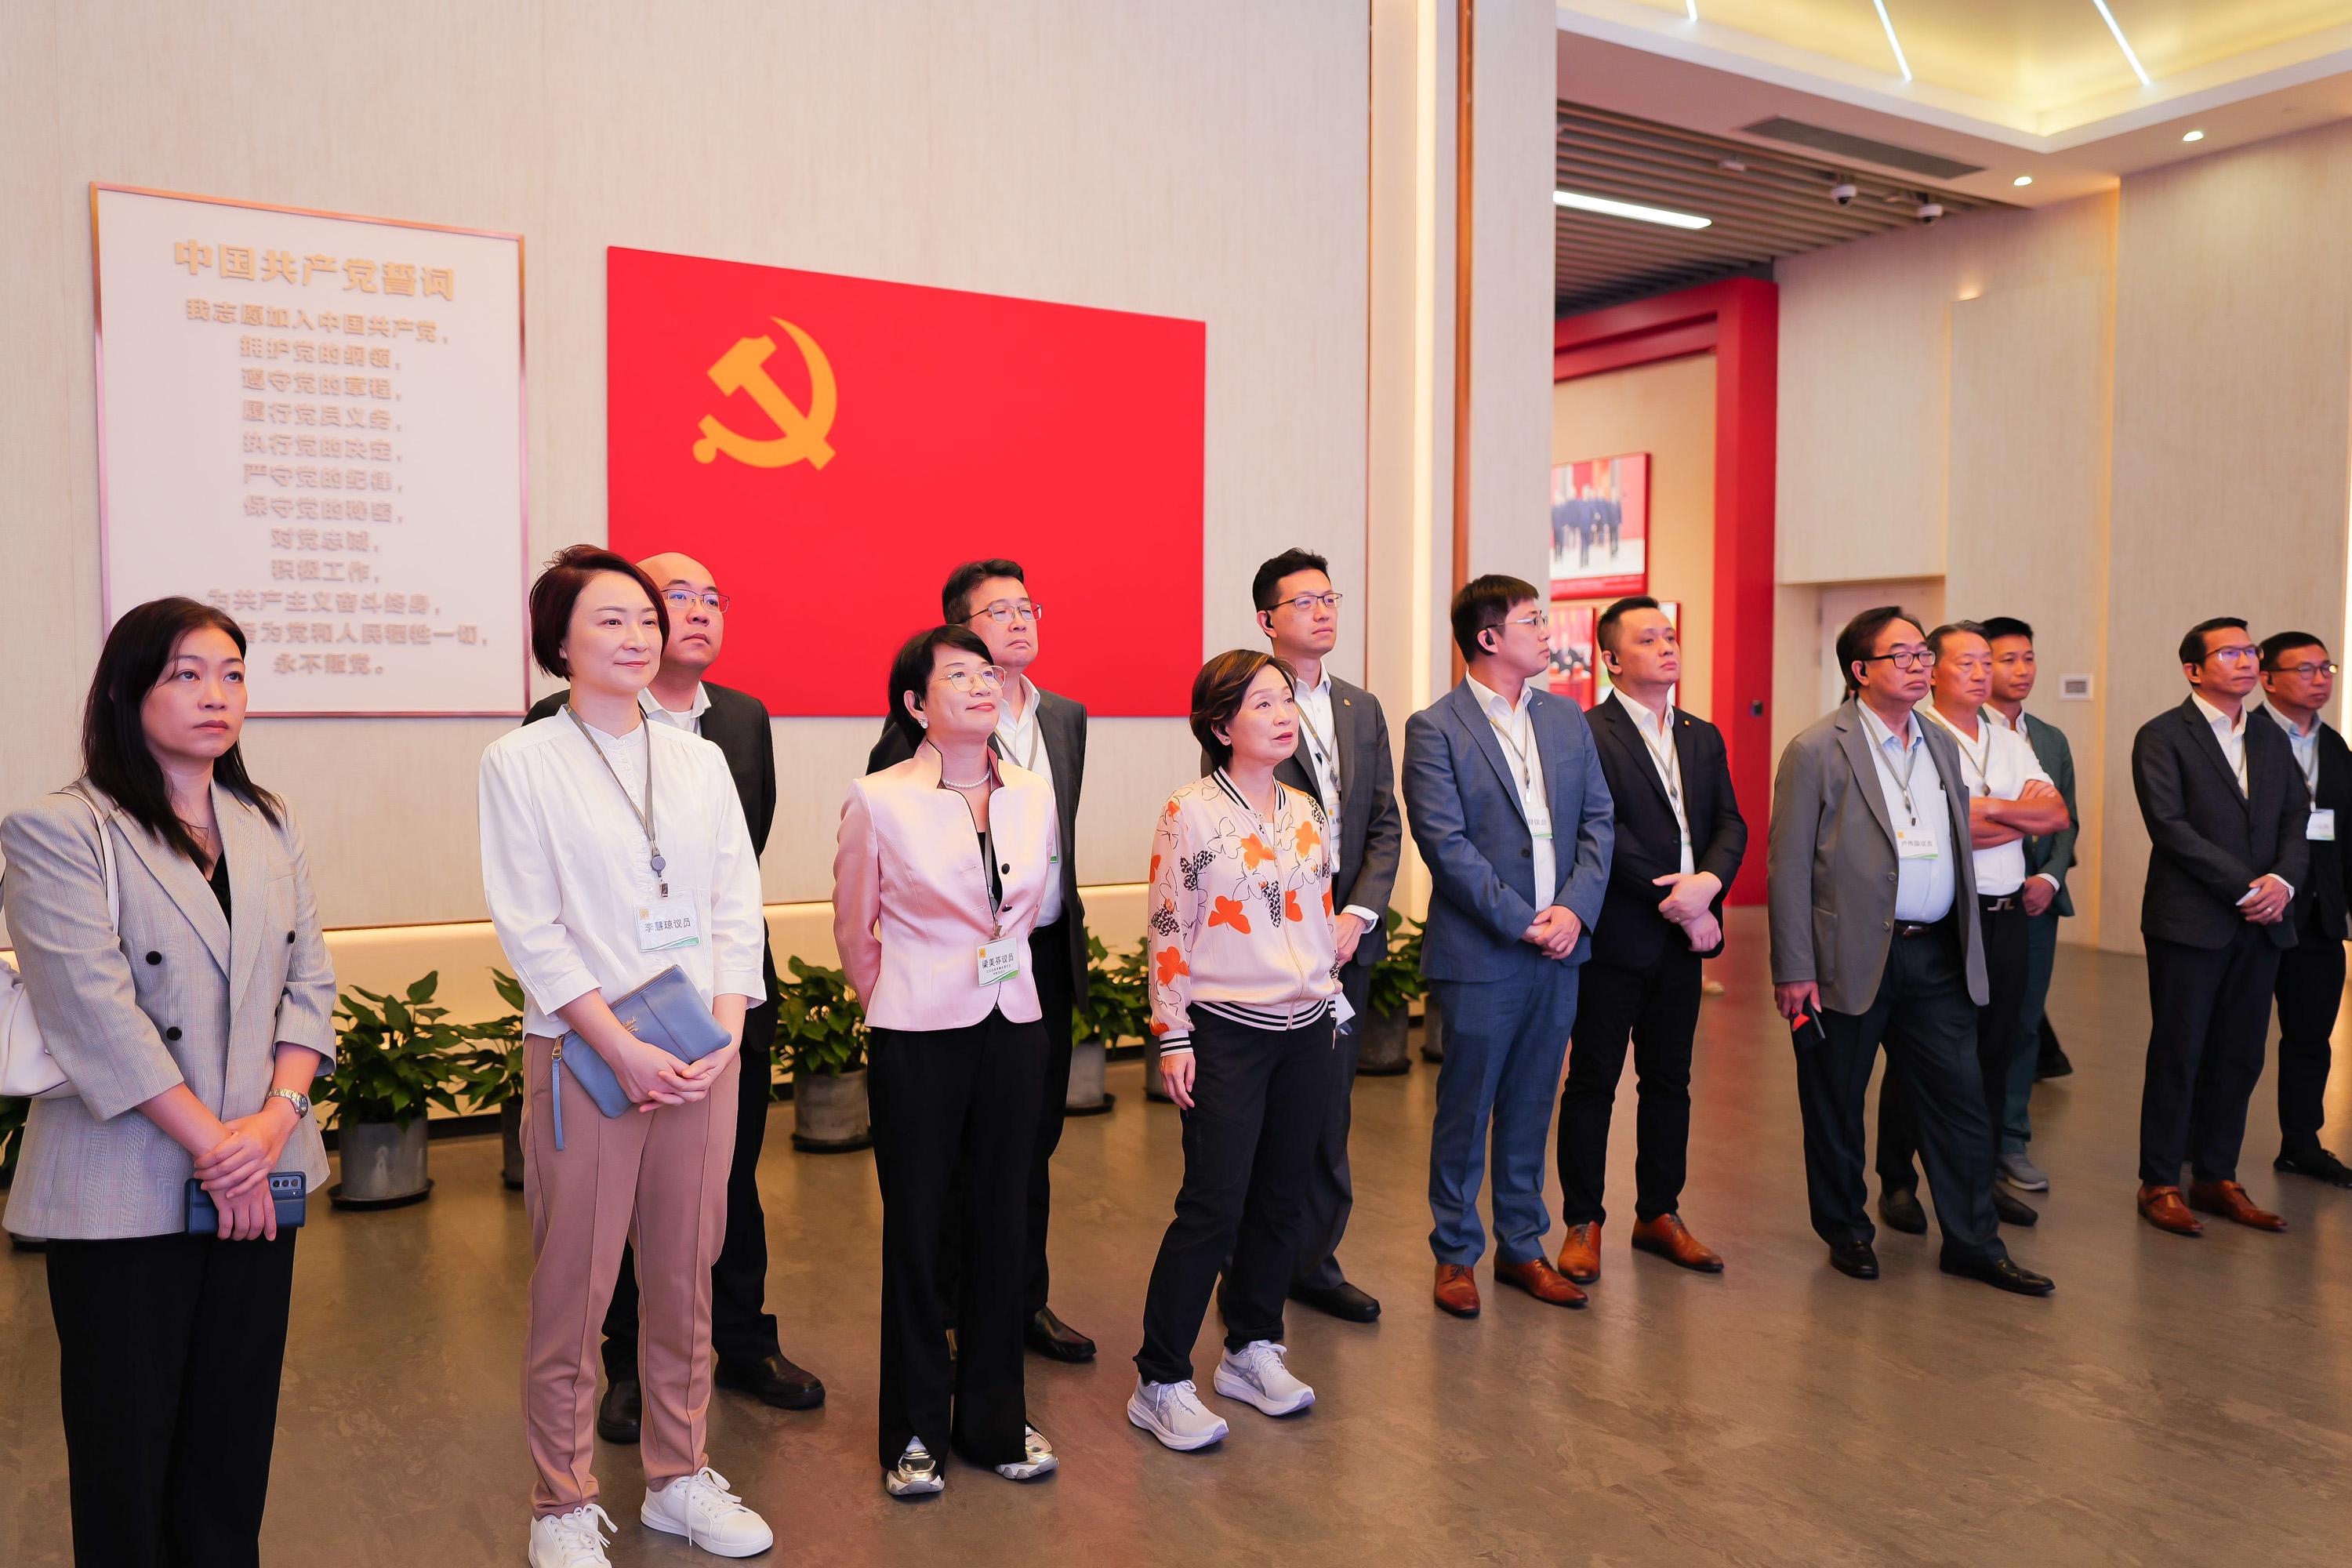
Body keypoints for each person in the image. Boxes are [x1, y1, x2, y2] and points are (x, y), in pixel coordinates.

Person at [1, 597, 335, 1567]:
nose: (215, 694)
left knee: (233, 1439)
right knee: (125, 1445)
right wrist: (215, 1148)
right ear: (124, 689)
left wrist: (270, 1127)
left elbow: (310, 980)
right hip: (123, 1183)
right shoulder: (62, 829)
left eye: (232, 673)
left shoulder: (267, 821)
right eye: (185, 673)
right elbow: (97, 1016)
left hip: (261, 1173)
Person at [481, 546, 774, 1565]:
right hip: (587, 1056)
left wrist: (727, 1038)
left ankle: (679, 1476)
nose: (640, 635)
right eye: (611, 620)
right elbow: (532, 927)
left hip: (701, 1054)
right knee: (578, 1283)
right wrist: (618, 1044)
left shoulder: (696, 757)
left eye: (647, 619)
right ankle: (560, 1502)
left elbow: (738, 905)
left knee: (688, 1272)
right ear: (558, 641)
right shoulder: (521, 761)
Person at [525, 551, 822, 1445]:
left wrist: (724, 1020)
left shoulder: (736, 723)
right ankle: (616, 1381)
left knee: (718, 1193)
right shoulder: (547, 737)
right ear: (568, 639)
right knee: (601, 1220)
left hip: (715, 1003)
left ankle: (732, 1359)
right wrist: (619, 1036)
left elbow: (741, 860)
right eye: (657, 602)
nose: (674, 618)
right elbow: (548, 908)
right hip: (604, 1019)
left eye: (701, 600)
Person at [835, 625, 1061, 1497]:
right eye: (957, 674)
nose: (982, 683)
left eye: (987, 672)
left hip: (1014, 1025)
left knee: (1004, 1222)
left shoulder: (1034, 791)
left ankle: (997, 1417)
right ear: (914, 704)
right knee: (921, 1229)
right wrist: (894, 999)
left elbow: (1033, 906)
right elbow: (856, 928)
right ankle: (915, 1428)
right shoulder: (880, 797)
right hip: (918, 1032)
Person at [1768, 607, 2053, 1297]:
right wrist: (1795, 968)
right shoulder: (1817, 749)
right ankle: (1847, 1230)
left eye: (1924, 653)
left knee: (1958, 1100)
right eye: (1904, 655)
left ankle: (1973, 1242)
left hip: (1937, 954)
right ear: (1861, 671)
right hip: (1849, 955)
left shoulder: (1940, 740)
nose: (1921, 665)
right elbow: (1789, 867)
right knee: (1837, 1101)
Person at [867, 560, 1094, 1363]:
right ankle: (950, 1307)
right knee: (948, 1158)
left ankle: (1018, 1300)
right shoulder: (912, 739)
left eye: (1028, 606)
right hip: (946, 972)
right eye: (999, 611)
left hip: (1040, 958)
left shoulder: (1064, 716)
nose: (1021, 621)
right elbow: (872, 899)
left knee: (1028, 1143)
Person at [1127, 650, 1345, 1451]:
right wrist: (1173, 1031)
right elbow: (1166, 928)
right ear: (1221, 725)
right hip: (1226, 1029)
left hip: (1308, 1026)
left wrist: (1331, 1000)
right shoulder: (1188, 810)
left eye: (1286, 698)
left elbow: (1316, 917)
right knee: (1213, 1203)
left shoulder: (1305, 807)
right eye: (1262, 702)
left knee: (1283, 1196)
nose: (1283, 712)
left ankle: (1253, 1346)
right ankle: (1161, 1377)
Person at [1403, 575, 1613, 1319]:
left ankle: (1522, 1245)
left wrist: (1573, 913)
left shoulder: (1566, 720)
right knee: (1468, 1106)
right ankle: (1455, 1253)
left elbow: (1598, 823)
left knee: (1531, 1103)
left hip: (1560, 947)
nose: (1548, 630)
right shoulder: (1435, 728)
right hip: (1484, 952)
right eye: (1533, 620)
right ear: (1489, 638)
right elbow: (1445, 844)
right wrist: (1523, 919)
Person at [1554, 597, 1745, 1285]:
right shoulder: (1587, 733)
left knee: (1671, 1080)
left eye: (1670, 635)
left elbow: (1730, 823)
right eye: (1648, 639)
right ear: (1610, 658)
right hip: (1617, 937)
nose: (1668, 647)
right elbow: (1600, 833)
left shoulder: (1701, 734)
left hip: (1683, 943)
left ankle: (1659, 1212)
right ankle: (1583, 1220)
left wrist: (1711, 885)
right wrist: (1682, 900)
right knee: (1594, 1083)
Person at [1242, 549, 1401, 1323]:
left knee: (1330, 1112)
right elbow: (1234, 824)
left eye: (1330, 597)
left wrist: (1359, 912)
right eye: (1304, 600)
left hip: (1347, 939)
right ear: (1268, 620)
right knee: (1266, 1114)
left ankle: (1315, 1259)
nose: (1323, 610)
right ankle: (1250, 1267)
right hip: (1272, 944)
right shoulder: (1242, 697)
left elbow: (1383, 823)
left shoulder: (1361, 709)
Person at [1880, 623, 2070, 1233]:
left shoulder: (2007, 736)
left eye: (1988, 662)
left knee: (1996, 1050)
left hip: (2008, 913)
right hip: (1949, 919)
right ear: (1933, 669)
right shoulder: (1920, 734)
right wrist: (2018, 816)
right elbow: (1945, 827)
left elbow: (2055, 814)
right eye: (1969, 663)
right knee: (1925, 1056)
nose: (1983, 673)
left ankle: (1981, 1182)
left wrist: (1990, 815)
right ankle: (1898, 1181)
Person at [2131, 617, 2307, 1237]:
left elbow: (2296, 817)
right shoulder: (2162, 735)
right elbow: (2170, 827)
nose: (2245, 660)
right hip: (2192, 922)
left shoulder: (2268, 735)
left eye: (2250, 651)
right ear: (2193, 669)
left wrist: (2282, 882)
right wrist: (2245, 887)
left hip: (2264, 923)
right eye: (2229, 652)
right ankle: (2159, 1182)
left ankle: (2215, 1176)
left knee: (2239, 1056)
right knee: (2180, 1052)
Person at [1978, 616, 2078, 1193]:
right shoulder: (1949, 732)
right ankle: (1959, 1142)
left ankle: (2010, 1141)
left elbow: (2067, 821)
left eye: (2028, 658)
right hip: (1977, 900)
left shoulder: (2050, 738)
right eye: (2005, 659)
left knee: (2021, 1025)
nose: (2021, 671)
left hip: (2036, 903)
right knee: (1962, 1028)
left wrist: (2049, 876)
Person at [2257, 632, 2352, 1187]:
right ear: (2268, 679)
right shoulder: (2244, 740)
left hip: (2317, 919)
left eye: (2326, 669)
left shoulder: (2336, 747)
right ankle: (2200, 1149)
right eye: (2305, 670)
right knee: (2231, 1041)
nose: (2320, 679)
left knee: (2311, 1037)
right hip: (2255, 913)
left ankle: (2300, 1143)